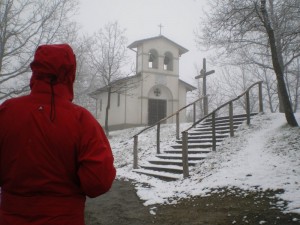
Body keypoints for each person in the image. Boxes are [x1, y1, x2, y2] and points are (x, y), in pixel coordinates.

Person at [0, 44, 116, 225]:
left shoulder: (6, 111)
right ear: (70, 74)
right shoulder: (82, 120)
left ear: (35, 71)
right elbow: (98, 181)